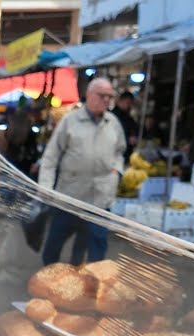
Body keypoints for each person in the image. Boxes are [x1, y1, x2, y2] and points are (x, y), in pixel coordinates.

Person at [37, 77, 126, 265]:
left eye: (109, 96)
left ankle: (89, 285)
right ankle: (47, 278)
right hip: (70, 196)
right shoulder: (70, 121)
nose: (106, 100)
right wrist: (45, 187)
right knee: (55, 243)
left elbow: (120, 151)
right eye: (102, 95)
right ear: (89, 95)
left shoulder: (113, 123)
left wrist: (116, 172)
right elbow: (51, 157)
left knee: (96, 246)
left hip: (100, 198)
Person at [111, 90, 138, 161]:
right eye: (128, 103)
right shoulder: (112, 116)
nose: (129, 106)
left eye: (131, 103)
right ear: (120, 101)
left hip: (126, 154)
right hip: (115, 154)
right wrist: (128, 139)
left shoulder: (128, 117)